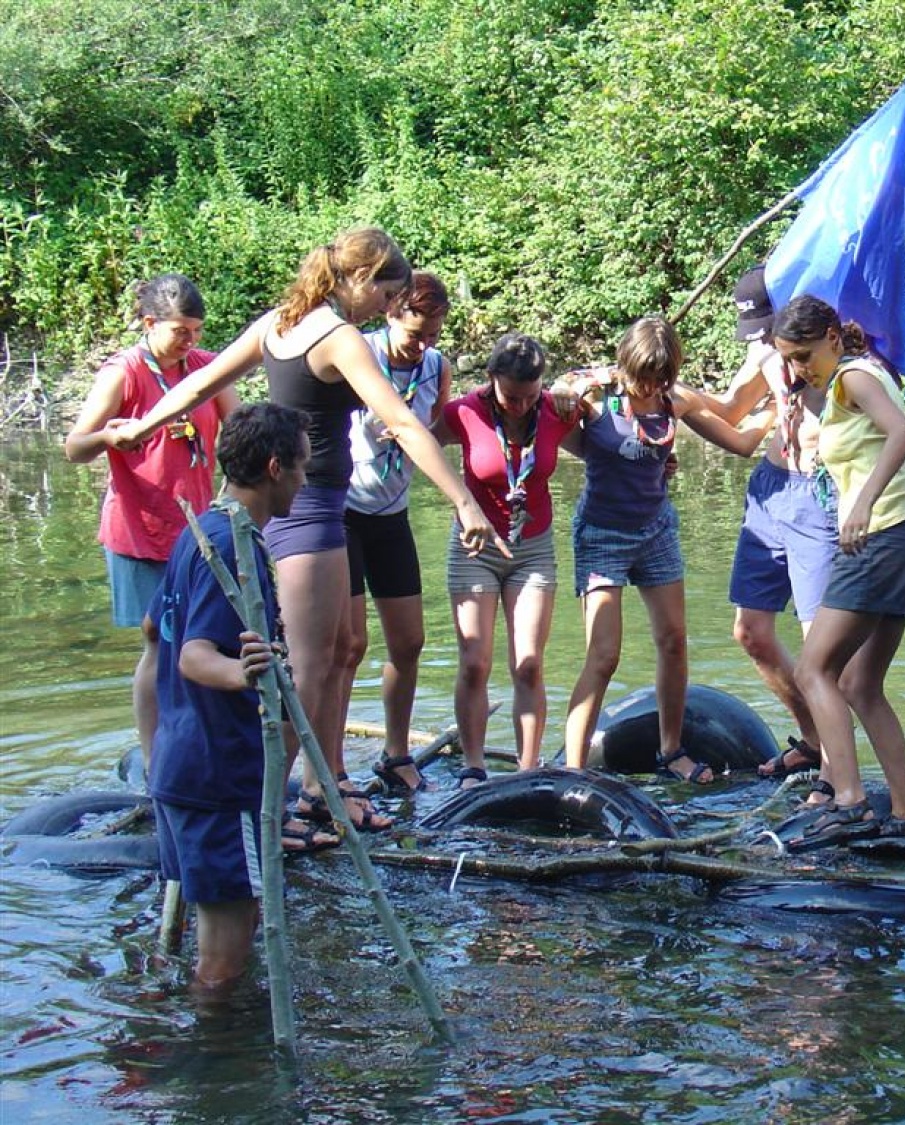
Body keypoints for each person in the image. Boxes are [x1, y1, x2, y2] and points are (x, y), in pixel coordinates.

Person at [113, 228, 496, 834]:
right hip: (309, 507)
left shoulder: (280, 323)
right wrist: (463, 501)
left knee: (335, 651)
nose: (390, 308)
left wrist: (139, 427)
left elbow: (197, 385)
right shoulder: (340, 336)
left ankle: (321, 786)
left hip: (288, 500)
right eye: (389, 294)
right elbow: (397, 420)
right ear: (361, 280)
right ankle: (277, 807)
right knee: (309, 666)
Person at [146, 402, 336, 993]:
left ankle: (178, 1031)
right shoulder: (234, 549)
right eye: (302, 468)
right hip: (220, 778)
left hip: (178, 769)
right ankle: (216, 1072)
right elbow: (193, 656)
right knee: (226, 961)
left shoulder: (199, 530)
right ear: (275, 467)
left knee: (212, 931)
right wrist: (244, 672)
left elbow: (155, 636)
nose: (305, 481)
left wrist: (153, 753)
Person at [562, 317, 775, 782]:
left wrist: (775, 414)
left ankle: (672, 751)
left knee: (675, 642)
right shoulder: (596, 398)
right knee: (604, 655)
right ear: (625, 366)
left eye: (662, 378)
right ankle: (572, 771)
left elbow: (737, 441)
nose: (652, 387)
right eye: (645, 377)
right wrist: (572, 387)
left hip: (656, 531)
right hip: (602, 535)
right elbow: (553, 405)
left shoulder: (673, 401)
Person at [770, 295, 905, 849]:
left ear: (833, 339)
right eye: (789, 360)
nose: (799, 369)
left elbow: (904, 432)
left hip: (884, 539)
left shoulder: (852, 379)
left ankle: (849, 801)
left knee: (814, 671)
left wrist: (863, 503)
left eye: (803, 355)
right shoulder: (851, 380)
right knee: (861, 685)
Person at [64, 275, 240, 771]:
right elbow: (74, 448)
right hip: (139, 529)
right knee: (158, 641)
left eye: (198, 331)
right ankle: (155, 758)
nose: (191, 341)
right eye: (181, 331)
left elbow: (242, 425)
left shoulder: (204, 369)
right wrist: (106, 436)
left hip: (197, 529)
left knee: (202, 638)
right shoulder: (123, 373)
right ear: (149, 324)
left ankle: (199, 741)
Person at [696, 266, 840, 799]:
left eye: (766, 329)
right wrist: (666, 389)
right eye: (756, 334)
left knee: (818, 649)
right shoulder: (766, 352)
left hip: (819, 498)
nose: (763, 344)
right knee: (751, 632)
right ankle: (812, 738)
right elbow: (732, 409)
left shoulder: (837, 355)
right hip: (770, 489)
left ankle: (836, 773)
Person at [434, 333, 578, 785]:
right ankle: (473, 767)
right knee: (475, 660)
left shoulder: (557, 408)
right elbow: (411, 432)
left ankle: (527, 770)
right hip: (475, 546)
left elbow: (615, 393)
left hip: (532, 548)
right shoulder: (465, 411)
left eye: (529, 396)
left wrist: (580, 385)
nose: (520, 406)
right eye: (511, 397)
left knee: (529, 661)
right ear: (491, 379)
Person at [337, 272, 453, 796]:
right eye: (415, 334)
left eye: (433, 333)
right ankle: (332, 769)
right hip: (341, 509)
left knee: (409, 641)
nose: (423, 344)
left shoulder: (436, 367)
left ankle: (395, 754)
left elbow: (438, 429)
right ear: (389, 314)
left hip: (392, 512)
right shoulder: (357, 353)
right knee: (349, 644)